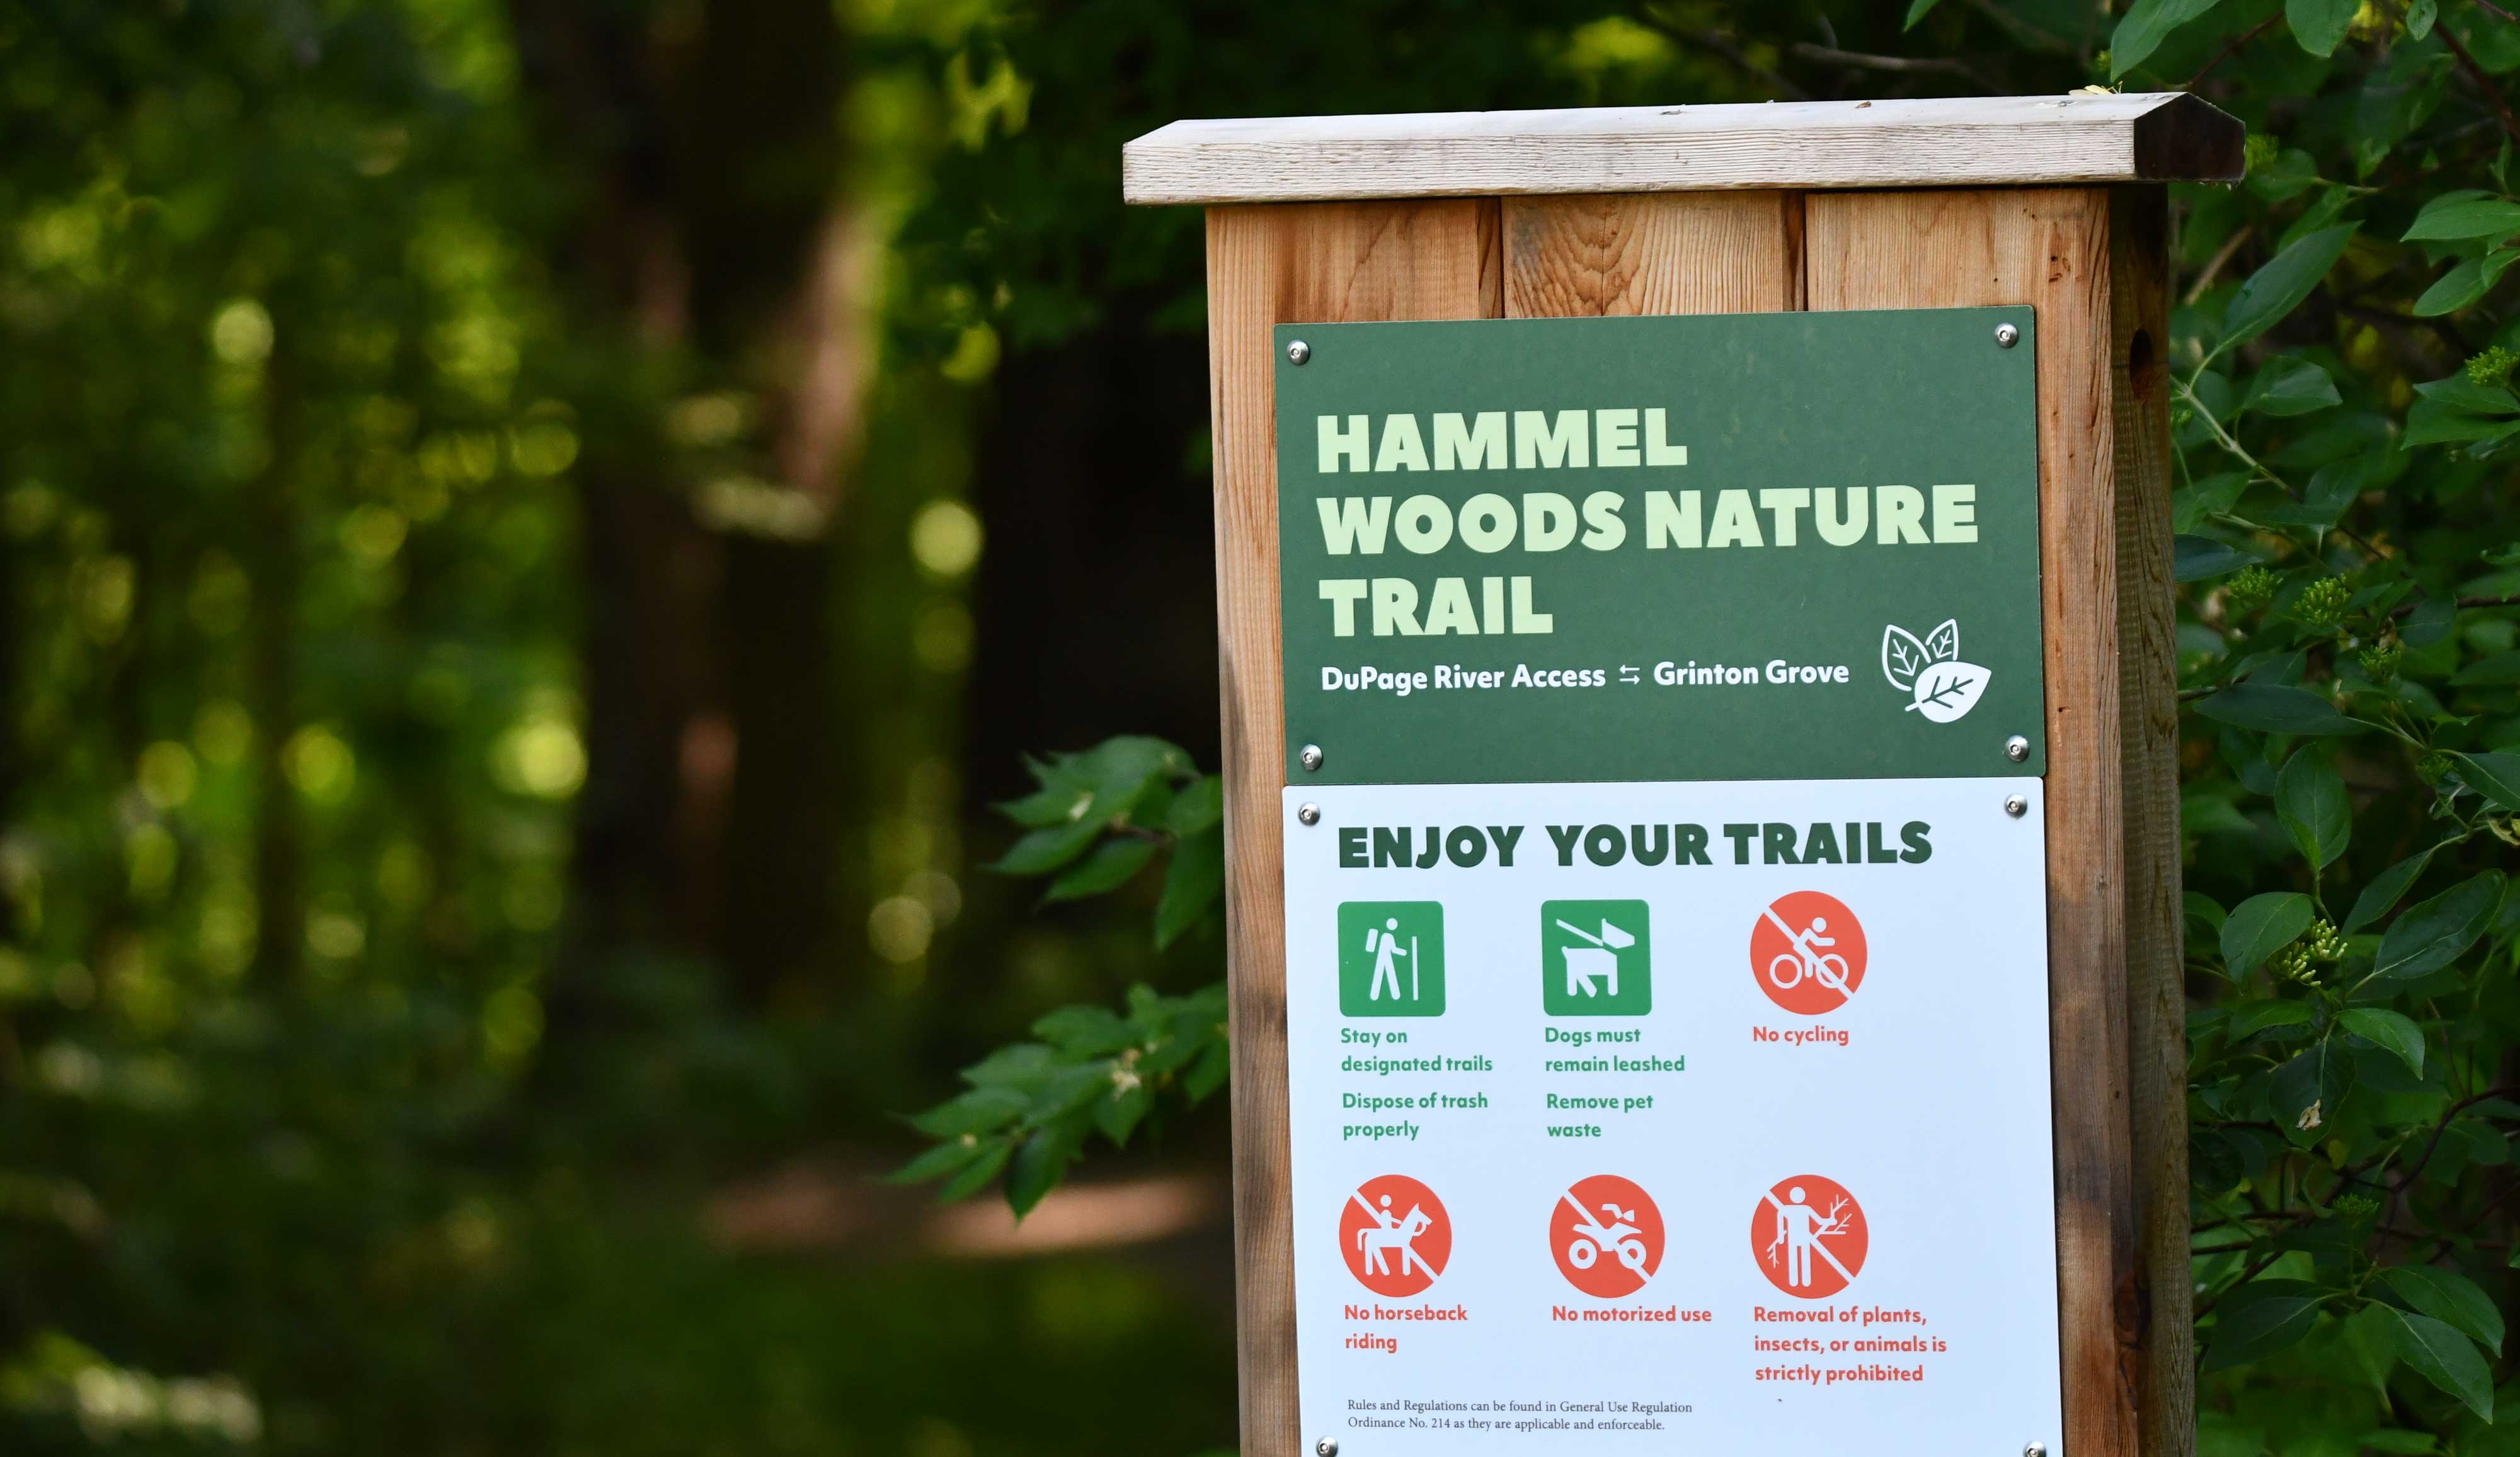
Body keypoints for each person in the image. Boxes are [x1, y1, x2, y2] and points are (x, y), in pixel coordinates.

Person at [1365, 916, 1410, 1001]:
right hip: (1383, 959)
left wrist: (1403, 952)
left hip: (1386, 960)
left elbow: (1393, 949)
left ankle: (1392, 996)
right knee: (1384, 976)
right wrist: (1403, 952)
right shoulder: (1387, 936)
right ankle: (1379, 996)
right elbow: (1393, 950)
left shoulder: (1388, 936)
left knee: (1385, 976)